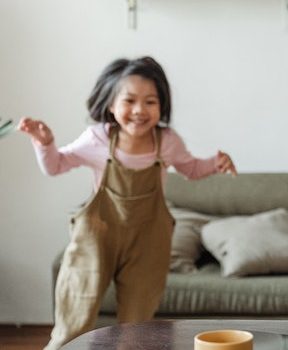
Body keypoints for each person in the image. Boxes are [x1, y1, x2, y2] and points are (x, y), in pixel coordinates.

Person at [17, 56, 237, 349]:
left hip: (147, 242)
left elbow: (191, 169)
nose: (139, 110)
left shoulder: (168, 142)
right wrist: (44, 144)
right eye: (129, 100)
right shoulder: (97, 138)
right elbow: (56, 165)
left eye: (150, 101)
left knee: (136, 329)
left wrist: (215, 163)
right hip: (96, 238)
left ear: (162, 106)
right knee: (74, 319)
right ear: (110, 104)